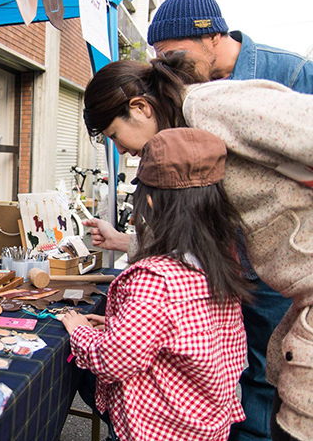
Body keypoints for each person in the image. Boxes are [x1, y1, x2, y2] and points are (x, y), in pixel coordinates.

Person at [82, 54, 313, 441]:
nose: (121, 151)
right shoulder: (188, 152)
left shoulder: (207, 105)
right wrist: (125, 240)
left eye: (113, 134)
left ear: (139, 108)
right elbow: (189, 237)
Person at [62, 127, 249, 441]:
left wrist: (79, 329)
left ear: (148, 200)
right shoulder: (220, 262)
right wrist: (117, 325)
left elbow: (113, 360)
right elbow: (186, 334)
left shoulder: (156, 278)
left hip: (157, 428)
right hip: (206, 426)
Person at [147, 0, 313, 90]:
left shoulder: (295, 73)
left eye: (174, 55)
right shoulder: (177, 84)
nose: (169, 68)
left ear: (212, 36)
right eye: (162, 59)